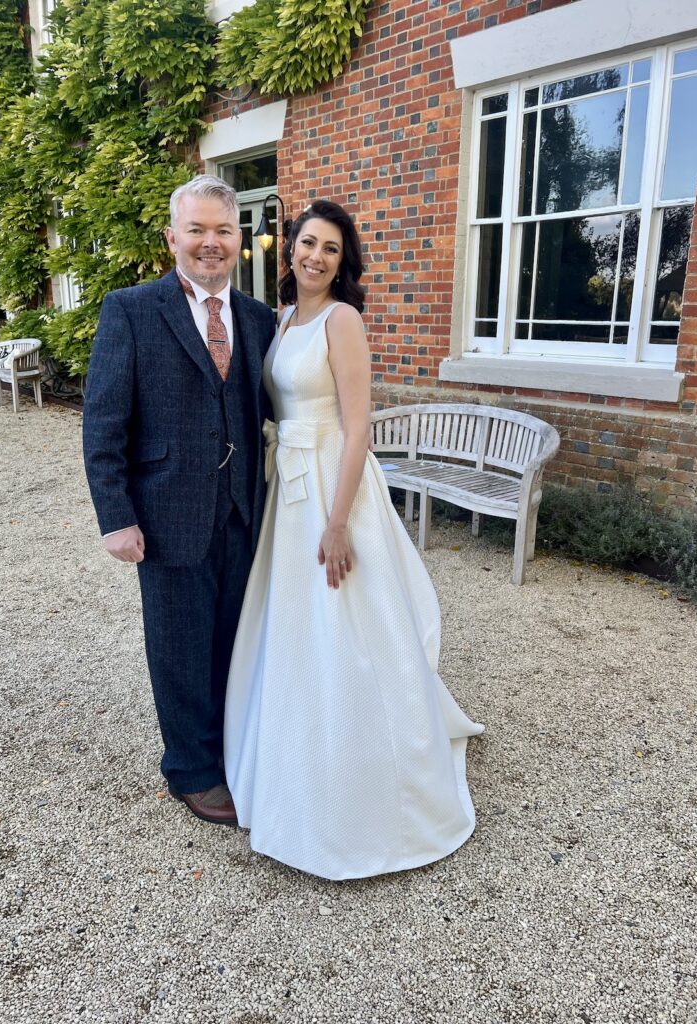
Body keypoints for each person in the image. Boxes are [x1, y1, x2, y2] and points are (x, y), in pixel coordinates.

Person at [224, 200, 484, 880]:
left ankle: (370, 779)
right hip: (289, 488)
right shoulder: (283, 319)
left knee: (344, 616)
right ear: (291, 249)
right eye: (307, 243)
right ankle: (292, 768)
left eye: (331, 249)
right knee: (295, 624)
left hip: (333, 487)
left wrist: (338, 524)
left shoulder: (343, 320)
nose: (315, 256)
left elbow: (358, 425)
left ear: (344, 262)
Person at [83, 175, 276, 826]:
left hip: (245, 509)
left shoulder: (258, 320)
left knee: (233, 639)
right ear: (173, 237)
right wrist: (116, 517)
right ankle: (189, 771)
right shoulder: (130, 309)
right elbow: (102, 421)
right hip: (166, 513)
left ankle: (229, 750)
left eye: (222, 229)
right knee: (177, 646)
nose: (210, 243)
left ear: (238, 237)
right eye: (196, 230)